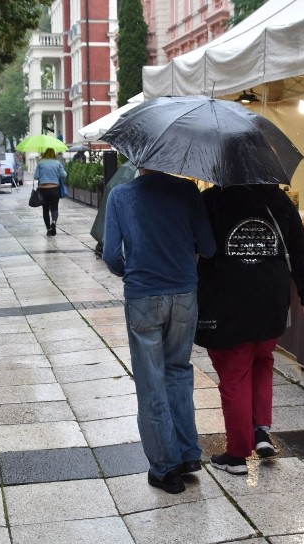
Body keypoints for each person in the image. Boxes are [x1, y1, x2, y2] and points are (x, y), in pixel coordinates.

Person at [195, 184, 304, 475]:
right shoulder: (276, 198)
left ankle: (239, 454)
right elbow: (299, 248)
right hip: (271, 297)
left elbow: (200, 246)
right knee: (262, 361)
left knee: (234, 372)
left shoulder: (212, 199)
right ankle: (260, 432)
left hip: (227, 298)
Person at [102, 169, 216, 494]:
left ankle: (166, 468)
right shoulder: (188, 192)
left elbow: (111, 255)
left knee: (151, 380)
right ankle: (188, 454)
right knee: (179, 372)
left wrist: (133, 270)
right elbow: (207, 247)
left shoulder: (121, 195)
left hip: (143, 296)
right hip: (184, 295)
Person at [33, 148, 67, 236]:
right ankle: (54, 222)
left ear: (45, 154)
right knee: (54, 208)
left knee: (45, 209)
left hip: (43, 189)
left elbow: (36, 176)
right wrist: (57, 177)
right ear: (53, 154)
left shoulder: (40, 163)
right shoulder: (57, 163)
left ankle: (48, 229)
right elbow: (64, 174)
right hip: (54, 188)